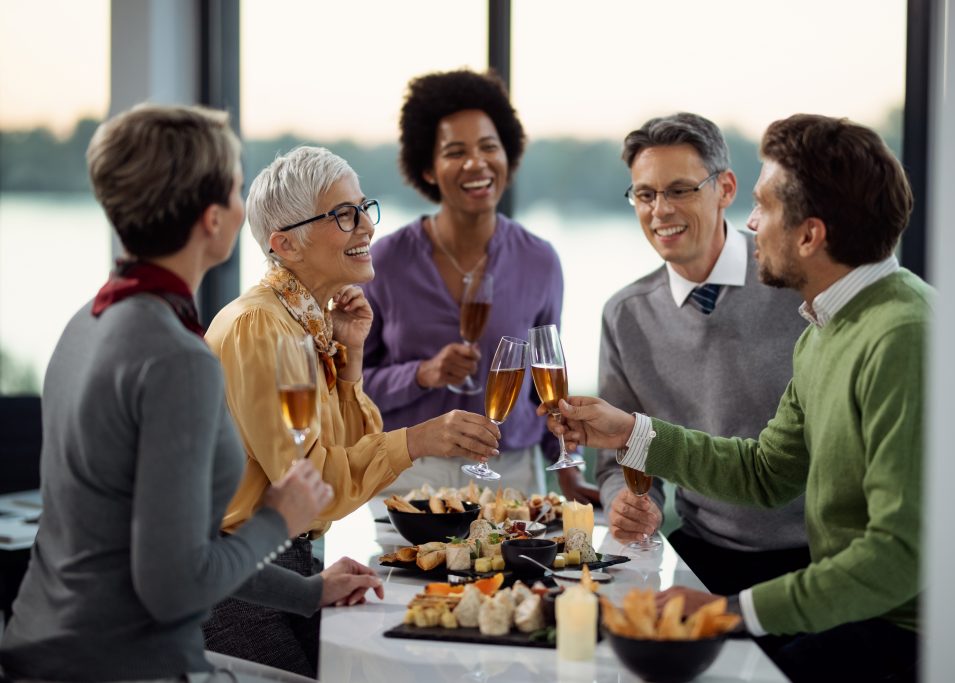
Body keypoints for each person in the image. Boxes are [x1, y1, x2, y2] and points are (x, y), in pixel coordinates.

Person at [0, 105, 382, 681]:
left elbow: (172, 547)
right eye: (234, 189)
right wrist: (278, 520)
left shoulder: (89, 320)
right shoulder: (178, 360)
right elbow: (174, 587)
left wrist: (306, 592)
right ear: (211, 219)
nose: (241, 205)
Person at [547, 114, 929, 683]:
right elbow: (765, 472)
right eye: (646, 193)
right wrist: (630, 433)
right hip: (843, 606)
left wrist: (730, 612)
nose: (752, 224)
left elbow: (897, 558)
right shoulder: (828, 325)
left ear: (809, 234)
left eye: (764, 206)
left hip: (899, 627)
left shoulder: (902, 334)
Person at [201, 145, 500, 675]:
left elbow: (339, 452)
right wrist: (419, 440)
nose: (366, 226)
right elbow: (314, 492)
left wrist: (353, 355)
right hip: (235, 585)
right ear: (284, 243)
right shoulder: (260, 326)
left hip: (282, 567)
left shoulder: (302, 322)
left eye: (364, 208)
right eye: (344, 214)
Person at [594, 113, 809, 596]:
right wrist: (625, 498)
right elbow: (618, 455)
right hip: (701, 555)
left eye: (680, 190)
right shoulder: (625, 315)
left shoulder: (799, 282)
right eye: (645, 194)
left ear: (726, 188)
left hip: (816, 555)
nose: (660, 210)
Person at [362, 68, 598, 502]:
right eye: (455, 151)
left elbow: (546, 390)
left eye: (490, 147)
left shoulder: (539, 260)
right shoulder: (385, 262)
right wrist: (422, 374)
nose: (476, 162)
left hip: (512, 475)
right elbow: (351, 388)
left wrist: (570, 471)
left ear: (507, 156)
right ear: (428, 170)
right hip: (409, 474)